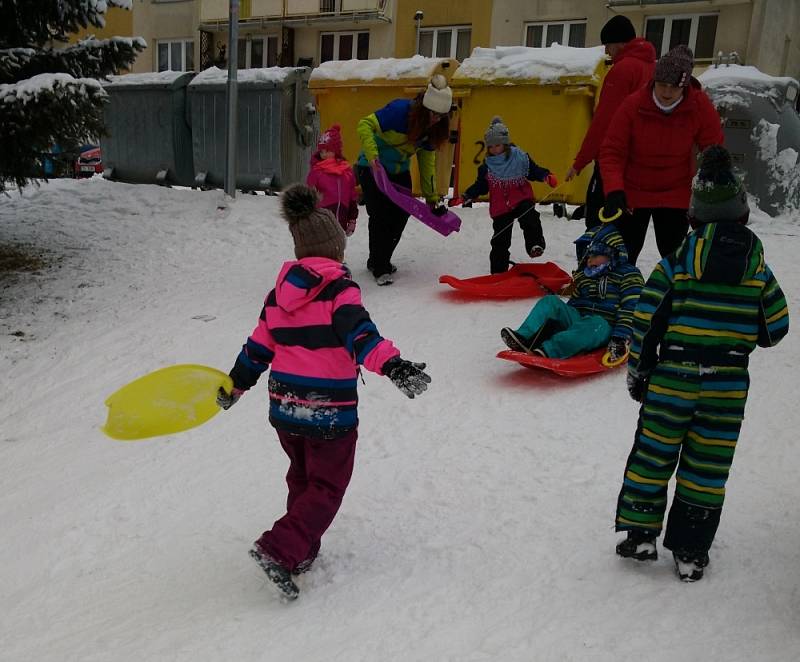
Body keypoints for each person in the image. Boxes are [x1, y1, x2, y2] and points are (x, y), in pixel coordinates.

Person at [216, 184, 432, 601]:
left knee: (303, 478)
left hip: (285, 410)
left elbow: (257, 347)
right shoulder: (338, 290)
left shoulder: (278, 296)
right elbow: (361, 335)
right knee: (329, 486)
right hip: (328, 411)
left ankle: (300, 550)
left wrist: (235, 385)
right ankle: (280, 549)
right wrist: (394, 365)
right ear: (335, 249)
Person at [614, 146, 789, 582]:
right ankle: (690, 550)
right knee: (706, 466)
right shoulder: (757, 271)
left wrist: (639, 369)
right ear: (743, 215)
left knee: (653, 454)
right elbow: (776, 328)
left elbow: (647, 318)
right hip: (726, 389)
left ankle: (639, 533)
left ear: (692, 216)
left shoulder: (676, 264)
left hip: (672, 380)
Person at [599, 45, 724, 265]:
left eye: (674, 87)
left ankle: (674, 296)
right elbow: (612, 151)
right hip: (633, 191)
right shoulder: (633, 104)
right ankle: (622, 295)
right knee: (624, 254)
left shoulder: (699, 105)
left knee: (675, 256)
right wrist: (614, 189)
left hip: (676, 192)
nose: (666, 92)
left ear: (684, 86)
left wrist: (713, 172)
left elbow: (713, 147)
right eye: (662, 85)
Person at [355, 74, 452, 286]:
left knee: (400, 216)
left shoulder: (432, 130)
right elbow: (364, 125)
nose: (436, 119)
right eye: (433, 114)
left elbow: (427, 162)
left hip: (398, 171)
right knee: (380, 216)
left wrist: (431, 197)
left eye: (441, 116)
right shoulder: (400, 111)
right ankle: (379, 266)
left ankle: (380, 259)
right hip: (371, 167)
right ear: (424, 108)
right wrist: (372, 157)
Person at [565, 15, 656, 230]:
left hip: (614, 159)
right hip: (641, 164)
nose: (607, 52)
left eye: (608, 45)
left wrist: (580, 161)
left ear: (620, 43)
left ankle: (595, 263)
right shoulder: (652, 69)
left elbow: (605, 120)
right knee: (629, 228)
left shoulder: (623, 70)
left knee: (598, 222)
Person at [500, 223, 643, 360]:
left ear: (611, 253)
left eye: (594, 255)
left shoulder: (629, 275)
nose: (588, 260)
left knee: (595, 323)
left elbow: (632, 308)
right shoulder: (585, 276)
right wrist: (557, 322)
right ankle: (525, 337)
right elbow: (573, 304)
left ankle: (551, 349)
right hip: (579, 322)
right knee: (550, 302)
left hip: (605, 328)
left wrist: (620, 337)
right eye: (587, 256)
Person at [462, 116, 558, 274]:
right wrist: (466, 196)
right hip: (501, 207)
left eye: (497, 145)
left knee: (530, 217)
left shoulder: (520, 158)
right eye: (490, 146)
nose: (494, 149)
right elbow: (481, 186)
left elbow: (534, 170)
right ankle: (498, 273)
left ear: (505, 144)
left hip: (520, 198)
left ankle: (535, 245)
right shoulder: (487, 166)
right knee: (500, 240)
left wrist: (546, 176)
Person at [306, 123, 359, 236]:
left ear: (336, 151)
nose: (324, 154)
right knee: (322, 249)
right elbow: (308, 196)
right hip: (321, 222)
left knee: (337, 249)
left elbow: (352, 197)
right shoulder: (316, 171)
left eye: (327, 150)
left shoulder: (346, 172)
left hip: (341, 222)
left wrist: (352, 219)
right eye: (321, 151)